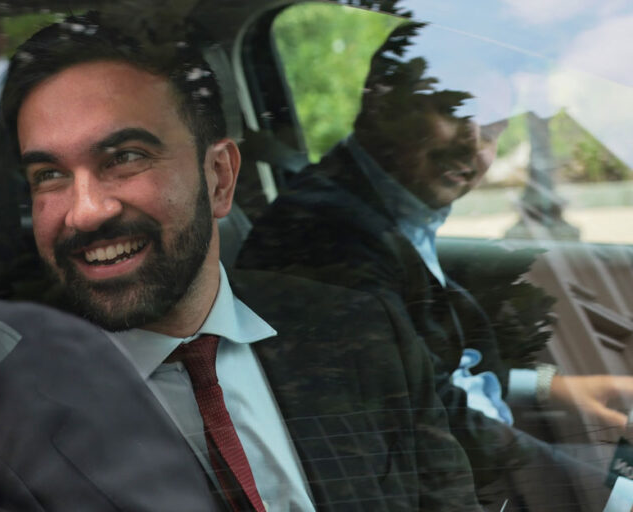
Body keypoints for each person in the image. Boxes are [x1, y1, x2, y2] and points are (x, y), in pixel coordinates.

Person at [0, 12, 479, 511]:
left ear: (219, 177)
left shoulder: (363, 335)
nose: (85, 213)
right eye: (49, 174)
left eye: (125, 157)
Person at [237, 22, 621, 509]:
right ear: (382, 102)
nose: (475, 144)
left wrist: (548, 386)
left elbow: (433, 365)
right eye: (457, 110)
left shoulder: (381, 207)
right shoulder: (326, 241)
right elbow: (426, 420)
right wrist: (606, 495)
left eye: (497, 125)